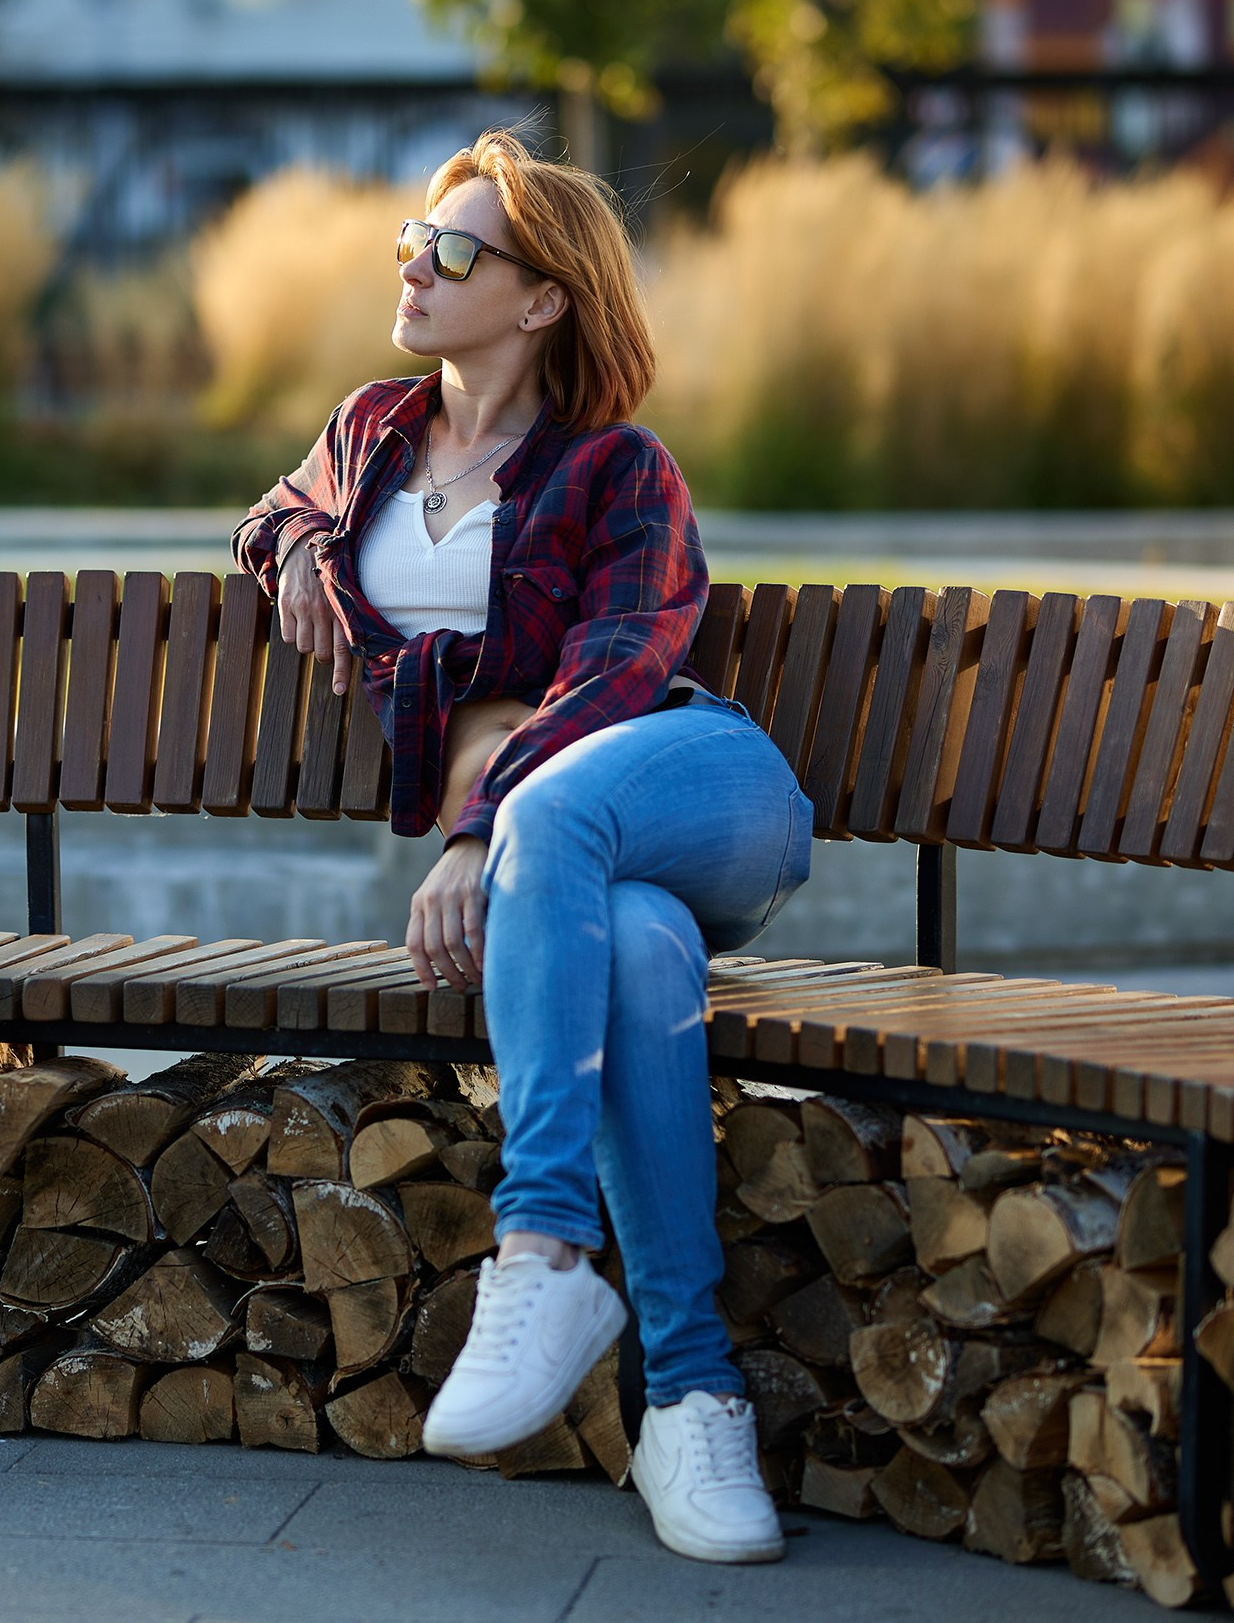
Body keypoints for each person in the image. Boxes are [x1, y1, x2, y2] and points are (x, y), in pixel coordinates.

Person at [229, 128, 814, 1565]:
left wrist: (476, 829)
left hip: (699, 785)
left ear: (542, 297)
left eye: (453, 250)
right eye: (408, 244)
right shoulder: (369, 431)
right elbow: (274, 511)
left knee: (557, 816)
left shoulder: (617, 470)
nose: (414, 269)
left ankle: (542, 1244)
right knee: (629, 946)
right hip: (581, 872)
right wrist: (300, 555)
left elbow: (615, 669)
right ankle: (689, 1396)